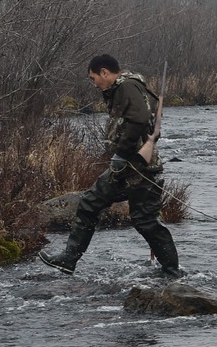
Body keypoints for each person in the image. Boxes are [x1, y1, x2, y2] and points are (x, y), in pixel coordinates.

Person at [40, 54, 182, 277]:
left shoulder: (126, 87)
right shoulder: (122, 88)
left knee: (144, 221)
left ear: (104, 72)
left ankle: (172, 272)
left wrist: (122, 153)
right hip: (126, 167)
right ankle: (69, 259)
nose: (93, 83)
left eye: (93, 77)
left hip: (138, 168)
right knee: (90, 203)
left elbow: (141, 119)